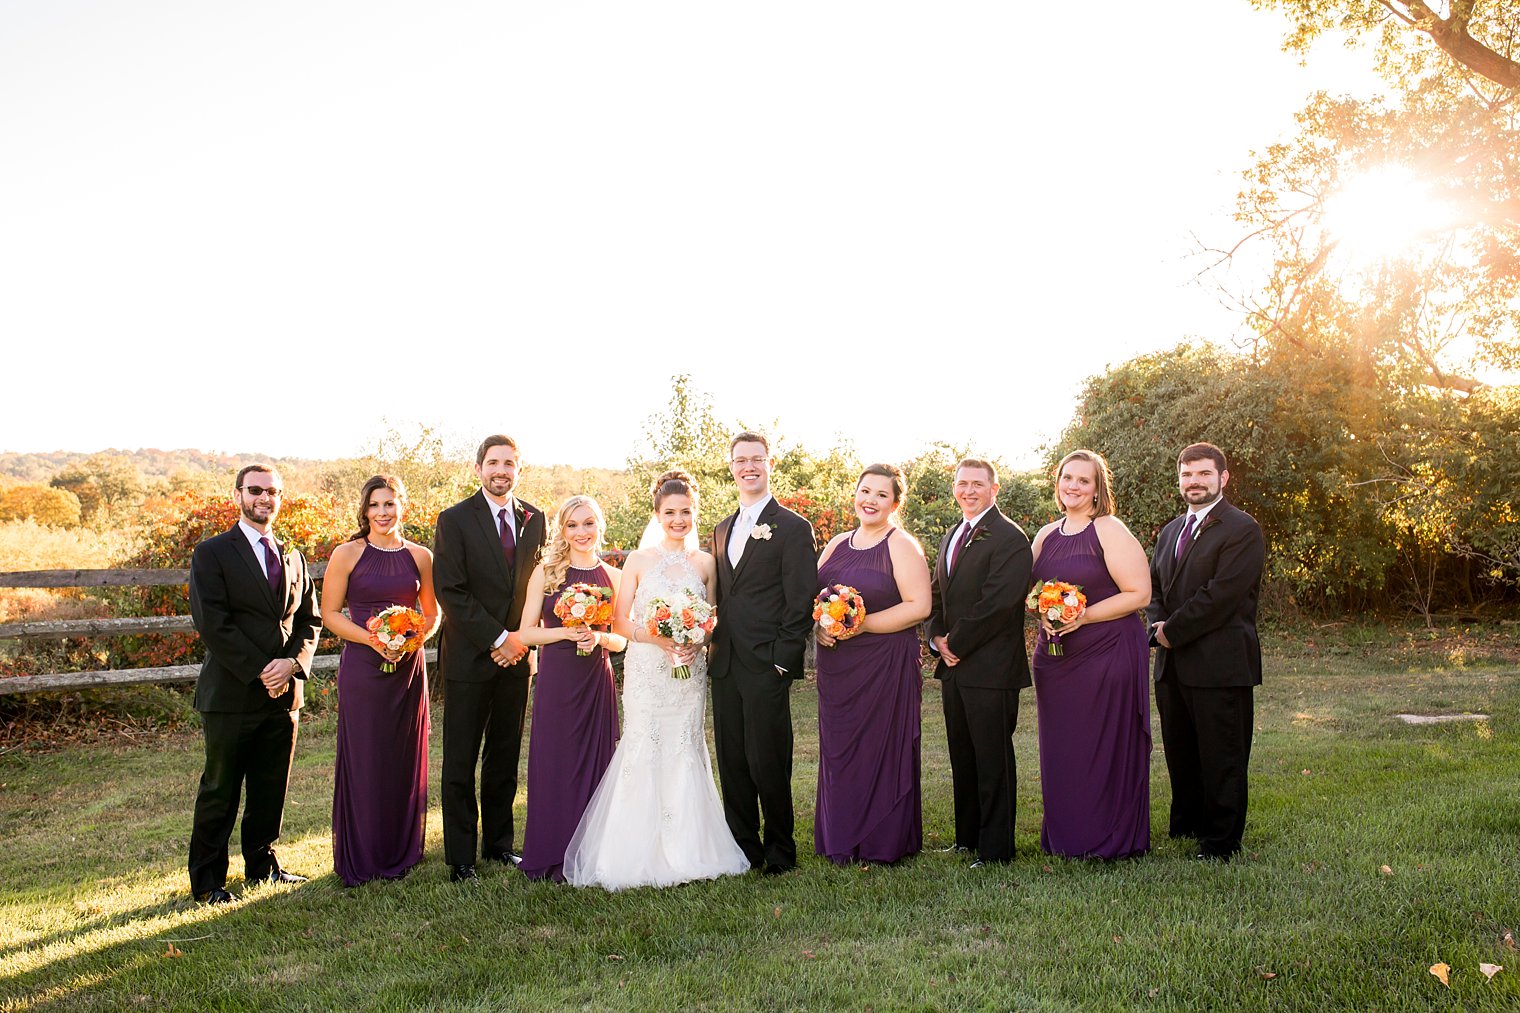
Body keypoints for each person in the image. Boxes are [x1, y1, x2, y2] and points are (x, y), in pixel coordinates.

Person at [564, 471, 750, 889]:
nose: (679, 519)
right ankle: (631, 852)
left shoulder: (706, 563)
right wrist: (660, 639)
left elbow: (713, 617)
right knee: (644, 746)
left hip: (687, 674)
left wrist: (696, 644)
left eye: (686, 512)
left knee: (684, 746)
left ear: (694, 513)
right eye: (670, 512)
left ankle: (689, 849)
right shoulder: (638, 560)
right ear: (657, 514)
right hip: (649, 670)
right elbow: (620, 620)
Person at [186, 464, 321, 903]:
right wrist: (265, 668)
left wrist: (292, 664)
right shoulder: (212, 553)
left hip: (285, 696)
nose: (265, 498)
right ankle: (208, 881)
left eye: (273, 492)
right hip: (231, 693)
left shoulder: (293, 556)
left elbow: (310, 621)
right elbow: (213, 623)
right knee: (220, 789)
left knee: (270, 787)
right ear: (239, 495)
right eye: (256, 490)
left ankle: (263, 867)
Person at [434, 435, 547, 882]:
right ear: (478, 467)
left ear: (519, 469)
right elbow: (451, 590)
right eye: (494, 462)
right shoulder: (455, 519)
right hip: (469, 657)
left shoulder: (535, 518)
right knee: (460, 759)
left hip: (517, 658)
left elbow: (538, 585)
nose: (502, 470)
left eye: (510, 463)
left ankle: (499, 844)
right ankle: (461, 857)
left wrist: (522, 642)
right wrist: (498, 637)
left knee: (503, 756)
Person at [1028, 450, 1152, 860]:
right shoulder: (1045, 535)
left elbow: (1139, 594)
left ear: (1098, 489)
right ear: (1057, 482)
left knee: (1103, 746)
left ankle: (1110, 837)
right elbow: (1032, 593)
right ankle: (1068, 836)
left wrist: (1082, 617)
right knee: (1065, 749)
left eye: (1084, 480)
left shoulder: (1109, 529)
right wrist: (1044, 616)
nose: (1074, 486)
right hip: (1057, 659)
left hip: (1107, 654)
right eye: (1067, 478)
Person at [319, 475, 440, 886]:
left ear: (402, 506)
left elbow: (432, 614)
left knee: (403, 755)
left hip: (407, 667)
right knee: (367, 755)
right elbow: (331, 614)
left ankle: (401, 850)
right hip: (363, 669)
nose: (383, 513)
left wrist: (410, 641)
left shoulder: (421, 556)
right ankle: (364, 853)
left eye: (390, 504)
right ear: (365, 509)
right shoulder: (347, 554)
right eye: (375, 505)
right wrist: (375, 639)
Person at [1148, 442, 1265, 861]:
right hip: (1173, 665)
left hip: (1220, 662)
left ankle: (1220, 841)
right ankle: (1187, 824)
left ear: (1223, 478)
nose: (1194, 482)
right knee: (1181, 750)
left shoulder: (1242, 529)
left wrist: (1172, 631)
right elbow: (1155, 589)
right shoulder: (1169, 532)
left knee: (1222, 754)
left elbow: (1222, 596)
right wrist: (1156, 625)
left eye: (1203, 474)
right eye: (1187, 475)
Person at [709, 433, 818, 874]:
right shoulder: (720, 528)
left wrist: (782, 659)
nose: (748, 466)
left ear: (769, 463)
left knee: (768, 758)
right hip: (725, 661)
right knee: (732, 759)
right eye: (740, 460)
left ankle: (780, 851)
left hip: (766, 662)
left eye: (756, 459)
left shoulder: (792, 527)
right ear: (731, 467)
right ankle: (743, 849)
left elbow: (801, 600)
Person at [812, 463, 932, 865]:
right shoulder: (835, 544)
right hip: (838, 669)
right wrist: (820, 628)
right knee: (841, 750)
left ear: (895, 502)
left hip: (884, 664)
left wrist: (860, 627)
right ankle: (842, 836)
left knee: (880, 747)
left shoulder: (902, 544)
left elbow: (920, 606)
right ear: (855, 495)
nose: (871, 500)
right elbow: (815, 601)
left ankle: (883, 841)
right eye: (866, 491)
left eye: (882, 494)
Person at [927, 458, 1032, 866]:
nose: (968, 490)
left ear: (994, 488)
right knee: (963, 756)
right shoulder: (953, 534)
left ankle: (996, 849)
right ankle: (967, 838)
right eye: (961, 483)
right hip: (953, 666)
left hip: (991, 668)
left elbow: (999, 603)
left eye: (976, 484)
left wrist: (957, 641)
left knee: (993, 761)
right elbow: (937, 594)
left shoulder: (1010, 537)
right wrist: (935, 637)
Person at [516, 496, 625, 882]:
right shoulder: (546, 573)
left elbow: (622, 640)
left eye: (589, 523)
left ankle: (594, 855)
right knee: (554, 763)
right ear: (562, 531)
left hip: (596, 681)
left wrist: (597, 637)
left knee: (598, 763)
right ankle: (550, 853)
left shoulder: (614, 577)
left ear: (600, 526)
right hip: (557, 681)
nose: (582, 532)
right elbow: (525, 632)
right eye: (573, 525)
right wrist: (565, 631)